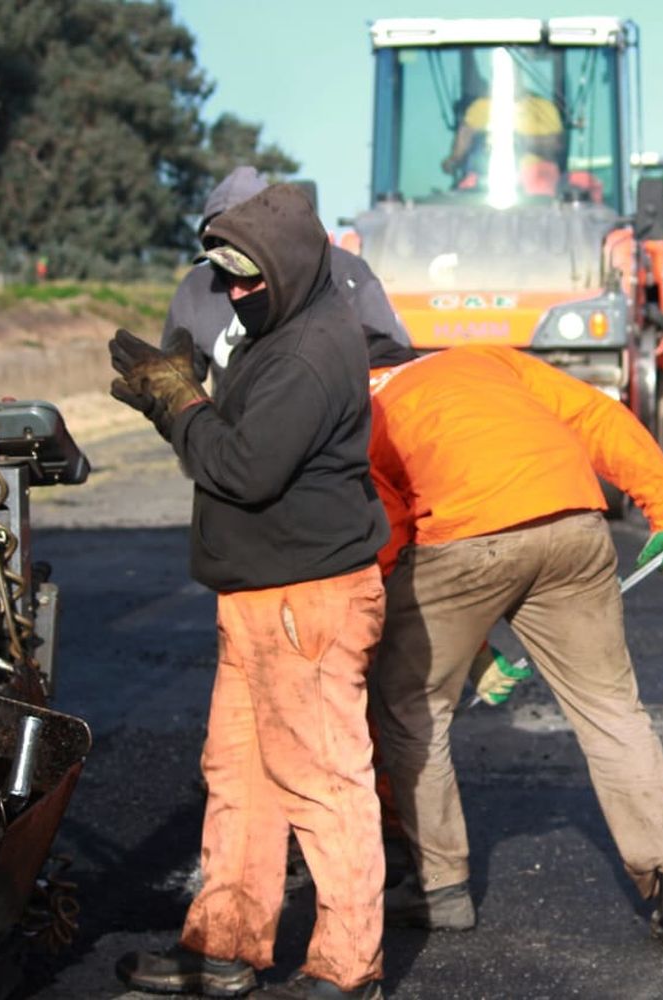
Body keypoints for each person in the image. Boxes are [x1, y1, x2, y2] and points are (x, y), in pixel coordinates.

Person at [111, 183, 390, 1000]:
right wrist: (194, 399)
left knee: (324, 783)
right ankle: (225, 947)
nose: (232, 295)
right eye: (224, 278)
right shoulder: (282, 329)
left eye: (247, 280)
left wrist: (178, 403)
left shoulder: (309, 352)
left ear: (292, 267)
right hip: (262, 598)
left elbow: (241, 467)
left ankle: (348, 971)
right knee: (240, 774)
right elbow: (237, 438)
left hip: (307, 602)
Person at [363, 335, 663, 955]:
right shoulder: (485, 358)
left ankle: (441, 891)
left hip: (463, 541)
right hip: (575, 522)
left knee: (413, 710)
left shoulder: (364, 408)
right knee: (611, 710)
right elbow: (597, 415)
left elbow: (391, 539)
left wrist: (474, 661)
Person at [163, 166, 410, 388]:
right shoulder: (195, 289)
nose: (237, 289)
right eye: (218, 243)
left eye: (241, 240)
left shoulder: (345, 272)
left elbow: (395, 371)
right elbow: (179, 386)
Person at [440, 82, 565, 196]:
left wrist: (519, 142)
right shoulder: (479, 107)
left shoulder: (543, 107)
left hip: (535, 183)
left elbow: (556, 146)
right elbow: (459, 149)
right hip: (485, 181)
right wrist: (452, 161)